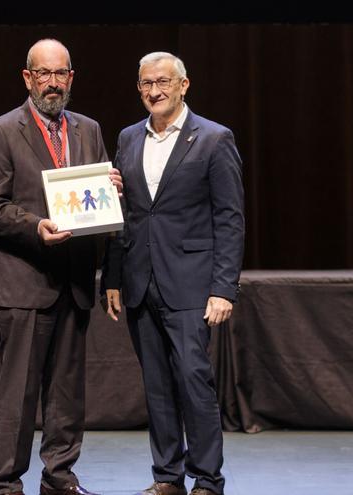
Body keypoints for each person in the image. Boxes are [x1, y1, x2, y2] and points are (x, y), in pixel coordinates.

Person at [0, 39, 122, 495]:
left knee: (66, 395)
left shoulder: (89, 129)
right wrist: (35, 225)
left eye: (60, 74)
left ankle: (59, 478)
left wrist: (109, 186)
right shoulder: (1, 131)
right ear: (28, 78)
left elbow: (93, 200)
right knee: (18, 395)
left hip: (75, 282)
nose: (53, 83)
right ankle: (5, 484)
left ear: (71, 78)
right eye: (44, 74)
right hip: (24, 283)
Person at [101, 52, 245, 495]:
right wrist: (112, 277)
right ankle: (167, 477)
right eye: (146, 83)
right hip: (140, 282)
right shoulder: (127, 138)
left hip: (191, 285)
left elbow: (230, 217)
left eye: (163, 82)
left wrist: (224, 288)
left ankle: (207, 479)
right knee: (157, 386)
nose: (154, 91)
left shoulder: (214, 139)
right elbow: (122, 213)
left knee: (193, 382)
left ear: (184, 86)